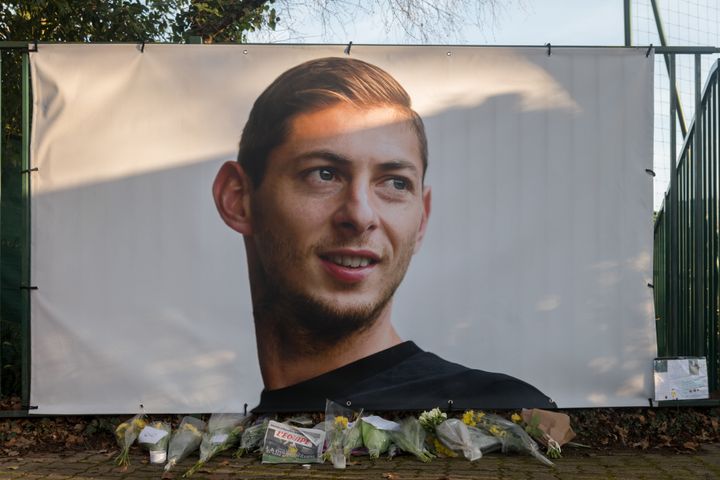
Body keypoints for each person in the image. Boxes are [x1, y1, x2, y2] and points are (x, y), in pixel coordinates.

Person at [212, 56, 555, 412]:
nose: (360, 216)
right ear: (238, 199)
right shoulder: (246, 437)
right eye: (323, 174)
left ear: (421, 220)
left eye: (395, 183)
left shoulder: (496, 414)